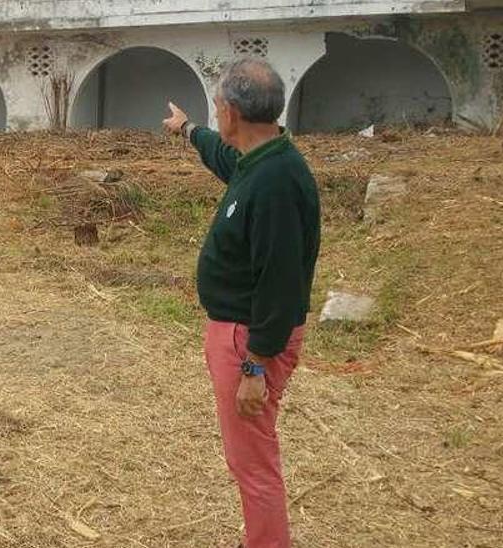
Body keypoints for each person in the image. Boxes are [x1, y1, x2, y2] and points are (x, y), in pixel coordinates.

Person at [162, 58, 321, 548]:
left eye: (214, 111)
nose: (215, 119)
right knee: (249, 458)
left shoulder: (274, 182)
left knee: (253, 462)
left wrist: (255, 367)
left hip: (249, 341)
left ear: (230, 111)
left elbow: (281, 283)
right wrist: (187, 129)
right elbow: (224, 157)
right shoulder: (262, 159)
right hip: (241, 336)